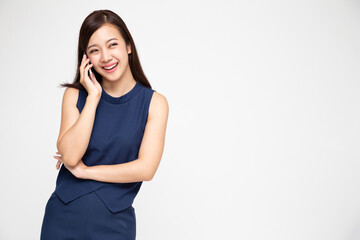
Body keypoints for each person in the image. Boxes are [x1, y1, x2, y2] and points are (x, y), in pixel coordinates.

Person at [40, 9, 169, 240]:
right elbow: (69, 156)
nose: (105, 57)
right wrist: (92, 98)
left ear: (128, 45)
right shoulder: (75, 96)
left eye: (112, 45)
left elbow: (145, 169)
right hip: (62, 217)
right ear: (86, 59)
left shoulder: (154, 103)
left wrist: (86, 171)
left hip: (115, 225)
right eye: (94, 51)